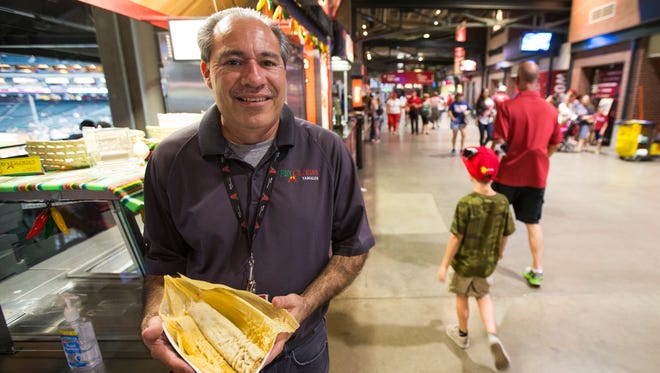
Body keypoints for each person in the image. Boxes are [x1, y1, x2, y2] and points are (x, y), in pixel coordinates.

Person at [140, 8, 375, 373]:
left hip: (300, 351)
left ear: (283, 71)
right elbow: (162, 265)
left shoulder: (327, 152)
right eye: (233, 61)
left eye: (268, 61)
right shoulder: (170, 161)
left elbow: (352, 249)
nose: (254, 78)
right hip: (208, 355)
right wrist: (155, 317)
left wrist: (307, 304)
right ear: (206, 73)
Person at [437, 146, 514, 370]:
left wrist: (443, 265)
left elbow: (455, 238)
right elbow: (506, 233)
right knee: (483, 296)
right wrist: (500, 252)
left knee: (462, 296)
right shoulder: (502, 202)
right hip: (486, 263)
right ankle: (492, 336)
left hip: (463, 264)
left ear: (470, 174)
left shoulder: (466, 203)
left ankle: (462, 334)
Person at [491, 61, 563, 288]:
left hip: (507, 176)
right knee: (533, 223)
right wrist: (541, 158)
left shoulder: (508, 107)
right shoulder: (551, 110)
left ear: (516, 81)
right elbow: (555, 142)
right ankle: (537, 269)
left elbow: (499, 141)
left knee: (500, 223)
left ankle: (490, 269)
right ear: (538, 82)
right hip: (536, 176)